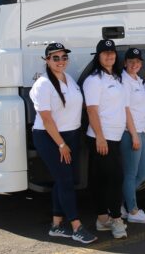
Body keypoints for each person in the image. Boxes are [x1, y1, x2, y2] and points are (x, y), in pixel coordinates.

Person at [30, 43, 97, 244]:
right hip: (50, 138)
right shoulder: (43, 84)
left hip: (71, 135)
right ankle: (76, 227)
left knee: (62, 180)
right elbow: (47, 119)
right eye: (56, 58)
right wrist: (61, 144)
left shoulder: (69, 79)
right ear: (47, 60)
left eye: (64, 57)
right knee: (66, 181)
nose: (61, 61)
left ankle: (56, 225)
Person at [83, 39, 128, 239]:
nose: (109, 55)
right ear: (98, 56)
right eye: (105, 53)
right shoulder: (94, 80)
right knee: (115, 178)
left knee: (102, 179)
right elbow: (91, 110)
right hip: (102, 137)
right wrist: (100, 138)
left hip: (115, 137)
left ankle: (102, 219)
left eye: (112, 52)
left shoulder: (116, 78)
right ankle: (116, 220)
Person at [120, 47, 145, 224]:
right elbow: (125, 110)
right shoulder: (124, 82)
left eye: (138, 61)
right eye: (131, 61)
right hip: (130, 132)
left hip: (141, 130)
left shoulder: (138, 81)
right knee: (131, 174)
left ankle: (118, 202)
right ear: (125, 63)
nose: (134, 64)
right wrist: (134, 135)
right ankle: (133, 211)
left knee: (143, 173)